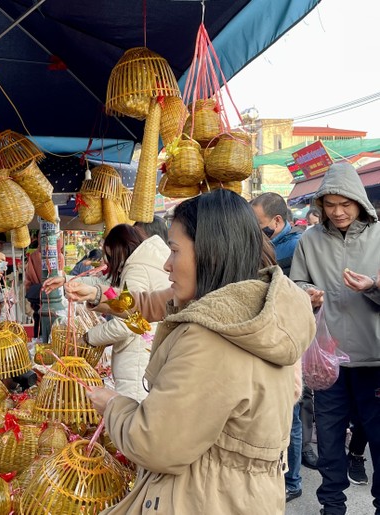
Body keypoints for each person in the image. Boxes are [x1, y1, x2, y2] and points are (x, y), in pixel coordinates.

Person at [69, 189, 315, 514]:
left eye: (174, 251)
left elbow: (154, 443)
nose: (167, 265)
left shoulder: (211, 336)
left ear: (210, 252)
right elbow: (148, 303)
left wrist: (112, 404)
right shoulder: (251, 302)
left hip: (208, 498)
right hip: (253, 496)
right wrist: (98, 294)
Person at [289, 161, 380, 515]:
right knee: (328, 441)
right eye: (330, 204)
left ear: (359, 201)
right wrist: (306, 293)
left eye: (346, 203)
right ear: (321, 206)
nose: (338, 212)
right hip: (328, 363)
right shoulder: (309, 241)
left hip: (374, 358)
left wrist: (373, 286)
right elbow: (294, 284)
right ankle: (331, 507)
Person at [43, 224, 170, 401]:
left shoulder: (137, 269)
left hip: (139, 357)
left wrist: (89, 338)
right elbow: (106, 284)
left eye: (110, 256)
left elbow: (129, 322)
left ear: (120, 250)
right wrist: (67, 280)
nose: (110, 263)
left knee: (131, 413)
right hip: (149, 349)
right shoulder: (145, 260)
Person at [250, 192, 305, 502]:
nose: (257, 231)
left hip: (286, 334)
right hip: (267, 333)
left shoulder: (296, 245)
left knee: (291, 414)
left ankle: (293, 480)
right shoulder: (267, 243)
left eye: (260, 225)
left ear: (277, 221)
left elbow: (298, 290)